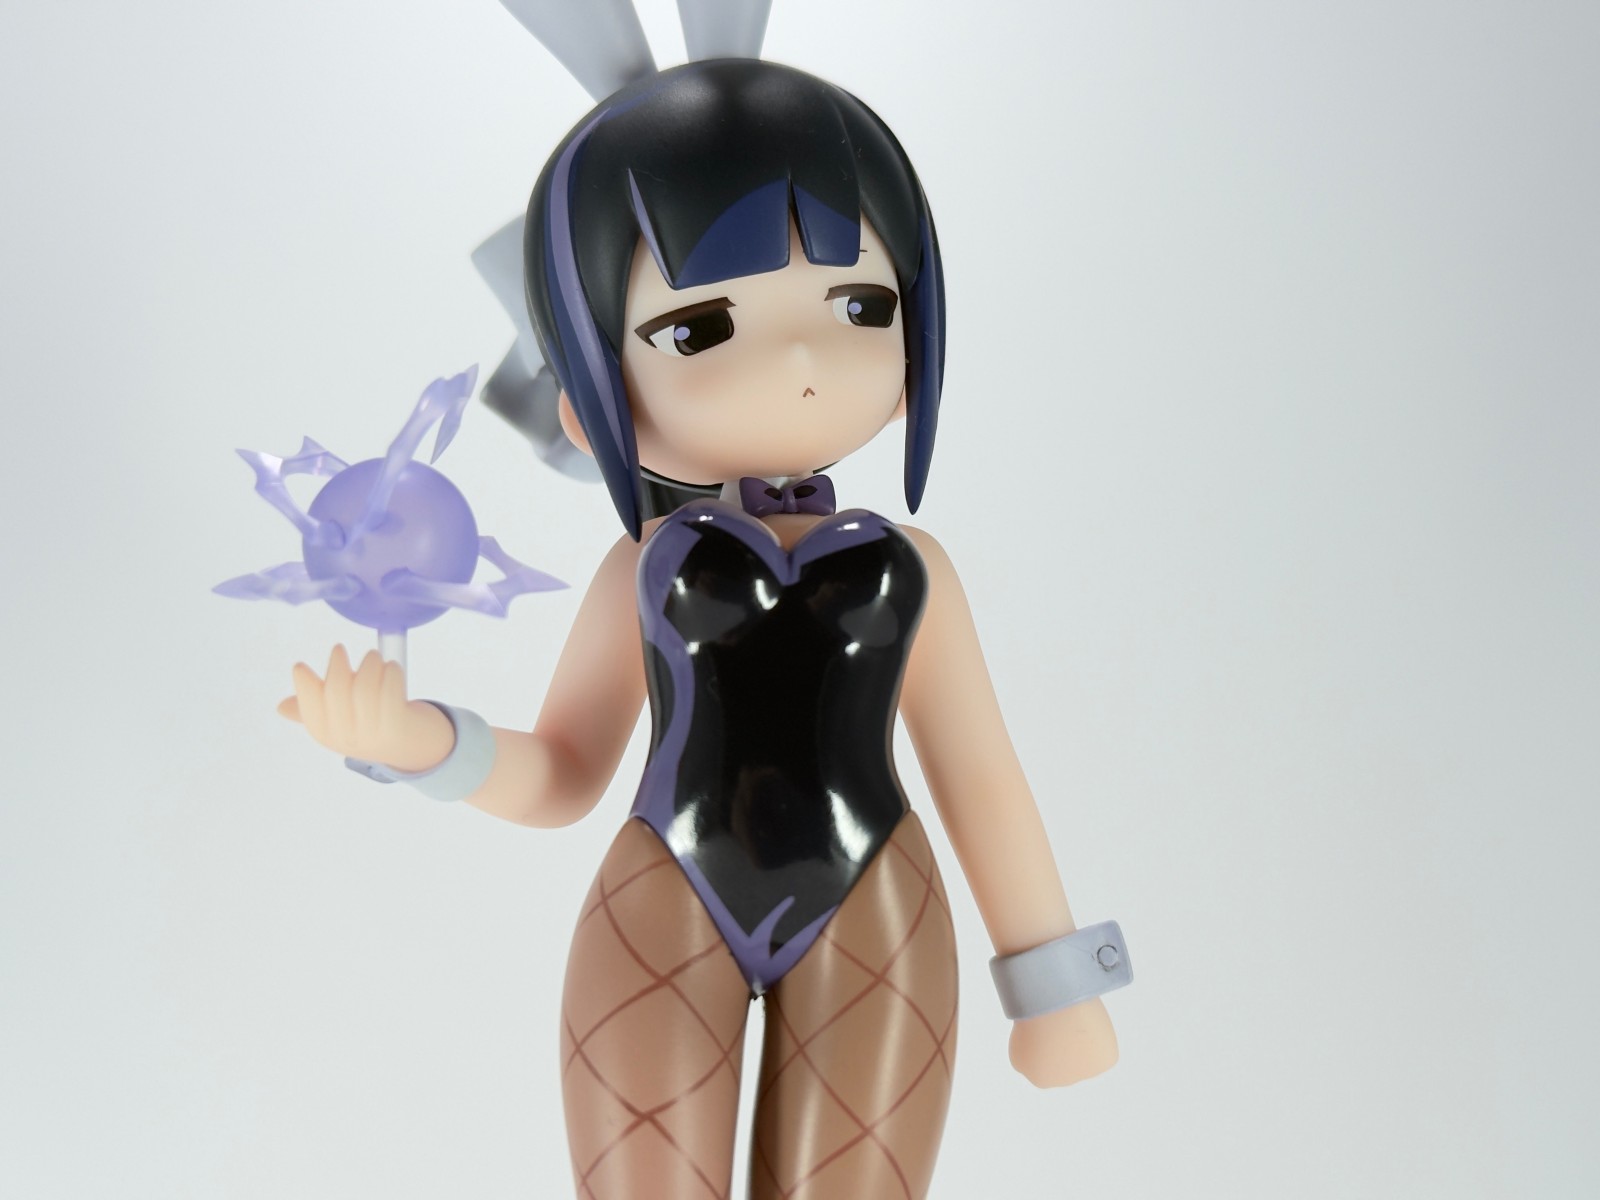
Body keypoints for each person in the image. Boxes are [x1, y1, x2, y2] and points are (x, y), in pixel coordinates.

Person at [279, 53, 1125, 1200]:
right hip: (663, 895)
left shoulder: (912, 569)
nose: (801, 359)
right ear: (587, 401)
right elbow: (563, 774)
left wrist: (1058, 984)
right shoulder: (644, 566)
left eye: (862, 307)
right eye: (699, 328)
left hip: (875, 901)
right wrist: (421, 744)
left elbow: (981, 774)